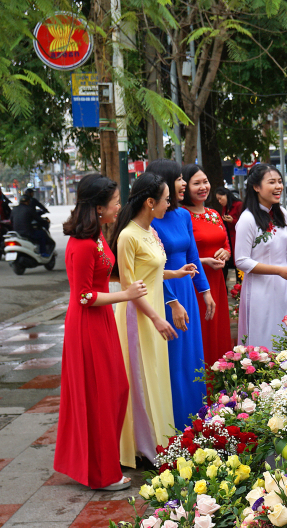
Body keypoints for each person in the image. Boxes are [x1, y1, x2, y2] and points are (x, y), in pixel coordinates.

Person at [55, 174, 148, 491]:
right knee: (100, 396)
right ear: (97, 207)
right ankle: (100, 473)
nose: (119, 206)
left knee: (115, 391)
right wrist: (127, 295)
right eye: (115, 201)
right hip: (87, 325)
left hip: (102, 321)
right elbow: (83, 296)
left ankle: (98, 465)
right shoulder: (81, 245)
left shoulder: (96, 237)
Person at [110, 172, 195, 467]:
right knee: (141, 378)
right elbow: (129, 288)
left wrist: (176, 272)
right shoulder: (128, 236)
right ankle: (141, 447)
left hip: (154, 310)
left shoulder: (150, 231)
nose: (168, 205)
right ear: (150, 202)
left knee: (156, 375)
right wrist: (158, 319)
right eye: (165, 199)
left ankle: (159, 440)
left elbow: (153, 272)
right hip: (138, 316)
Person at [148, 159, 215, 431]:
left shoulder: (184, 215)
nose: (184, 183)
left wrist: (205, 290)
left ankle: (197, 420)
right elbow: (150, 268)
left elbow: (193, 257)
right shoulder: (151, 218)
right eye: (178, 178)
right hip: (165, 293)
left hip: (187, 290)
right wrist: (170, 301)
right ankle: (174, 424)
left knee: (192, 358)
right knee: (174, 360)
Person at [235, 163, 287, 350]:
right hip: (260, 289)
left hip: (285, 286)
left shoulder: (281, 213)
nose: (278, 187)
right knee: (264, 336)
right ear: (256, 187)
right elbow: (241, 260)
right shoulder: (248, 219)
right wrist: (278, 271)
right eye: (271, 182)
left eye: (280, 182)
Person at [181, 164, 232, 368]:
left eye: (205, 182)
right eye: (196, 183)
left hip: (217, 282)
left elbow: (226, 244)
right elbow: (175, 256)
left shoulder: (214, 214)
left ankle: (220, 383)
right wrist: (203, 262)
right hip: (194, 283)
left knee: (218, 330)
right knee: (201, 331)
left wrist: (226, 253)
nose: (203, 187)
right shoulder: (181, 216)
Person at [10, 192, 55, 256]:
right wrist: (45, 221)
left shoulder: (14, 209)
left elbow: (11, 220)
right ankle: (43, 253)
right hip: (27, 233)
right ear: (28, 201)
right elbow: (38, 219)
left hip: (16, 233)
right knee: (42, 234)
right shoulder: (29, 209)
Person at [215, 187, 243, 282]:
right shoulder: (225, 207)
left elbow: (244, 223)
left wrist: (233, 221)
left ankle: (239, 287)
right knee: (225, 265)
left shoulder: (238, 205)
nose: (219, 201)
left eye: (220, 198)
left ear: (226, 195)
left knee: (238, 265)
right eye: (217, 199)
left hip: (237, 239)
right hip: (228, 239)